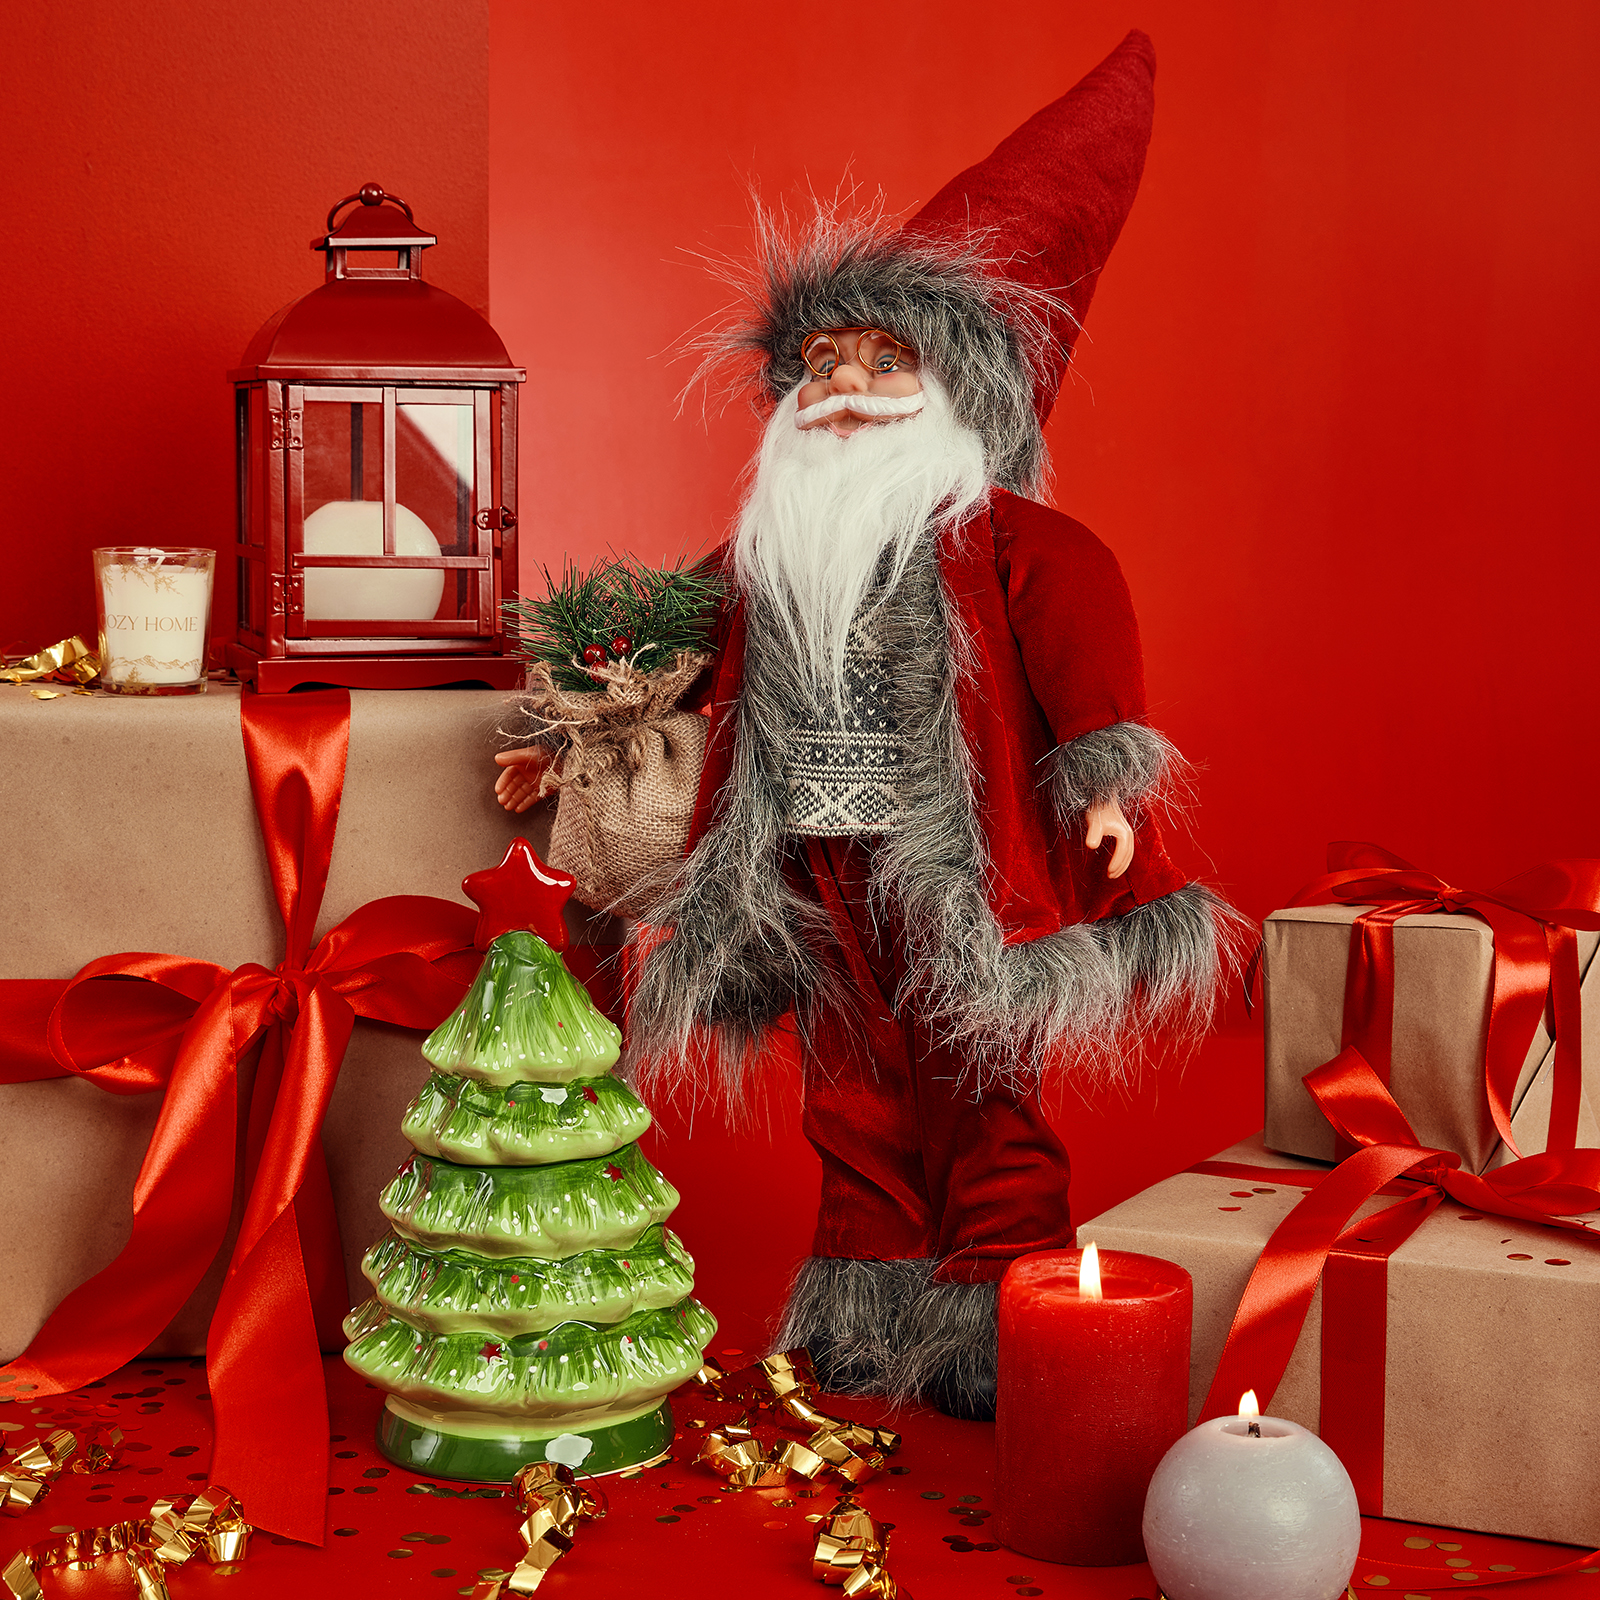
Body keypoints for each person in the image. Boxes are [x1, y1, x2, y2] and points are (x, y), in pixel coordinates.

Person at [497, 31, 1243, 1418]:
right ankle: (865, 1307)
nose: (839, 388)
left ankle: (995, 1313)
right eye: (818, 363)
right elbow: (669, 649)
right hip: (812, 862)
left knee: (982, 1088)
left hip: (958, 865)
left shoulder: (1011, 540)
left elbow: (1083, 639)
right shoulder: (768, 553)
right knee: (845, 1093)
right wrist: (579, 721)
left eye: (882, 360)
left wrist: (1101, 784)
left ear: (960, 386)